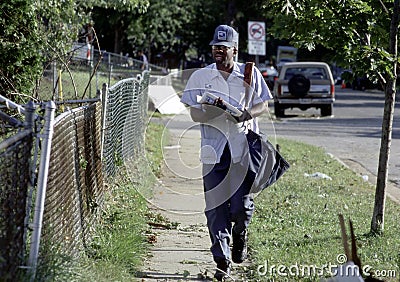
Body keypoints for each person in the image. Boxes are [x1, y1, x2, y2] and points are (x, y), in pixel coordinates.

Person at [180, 25, 272, 280]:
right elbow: (194, 112)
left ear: (234, 49)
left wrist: (246, 114)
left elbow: (262, 104)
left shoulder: (249, 74)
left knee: (240, 208)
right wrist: (209, 112)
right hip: (213, 151)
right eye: (214, 48)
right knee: (215, 208)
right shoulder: (201, 76)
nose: (217, 52)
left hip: (243, 151)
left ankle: (240, 234)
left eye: (223, 48)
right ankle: (222, 261)